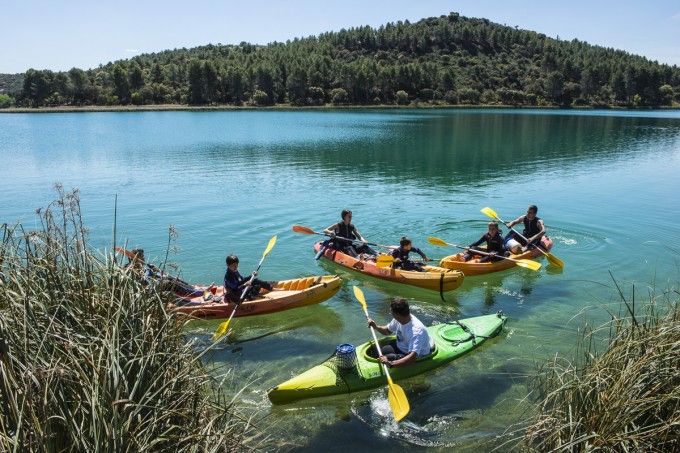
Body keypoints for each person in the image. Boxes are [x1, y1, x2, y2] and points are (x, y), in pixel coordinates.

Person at [366, 299, 434, 368]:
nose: (391, 313)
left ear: (397, 315)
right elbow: (387, 331)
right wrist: (376, 327)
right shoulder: (399, 318)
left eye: (391, 312)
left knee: (387, 357)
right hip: (401, 347)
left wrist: (390, 364)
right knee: (376, 351)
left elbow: (412, 358)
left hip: (412, 355)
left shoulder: (416, 331)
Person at [124, 248, 208, 298]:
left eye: (143, 256)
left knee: (170, 277)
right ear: (134, 258)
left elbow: (155, 275)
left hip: (155, 284)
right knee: (168, 282)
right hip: (149, 290)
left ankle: (193, 289)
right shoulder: (130, 269)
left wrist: (156, 270)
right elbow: (145, 282)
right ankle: (197, 293)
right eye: (141, 257)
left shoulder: (145, 266)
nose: (144, 258)